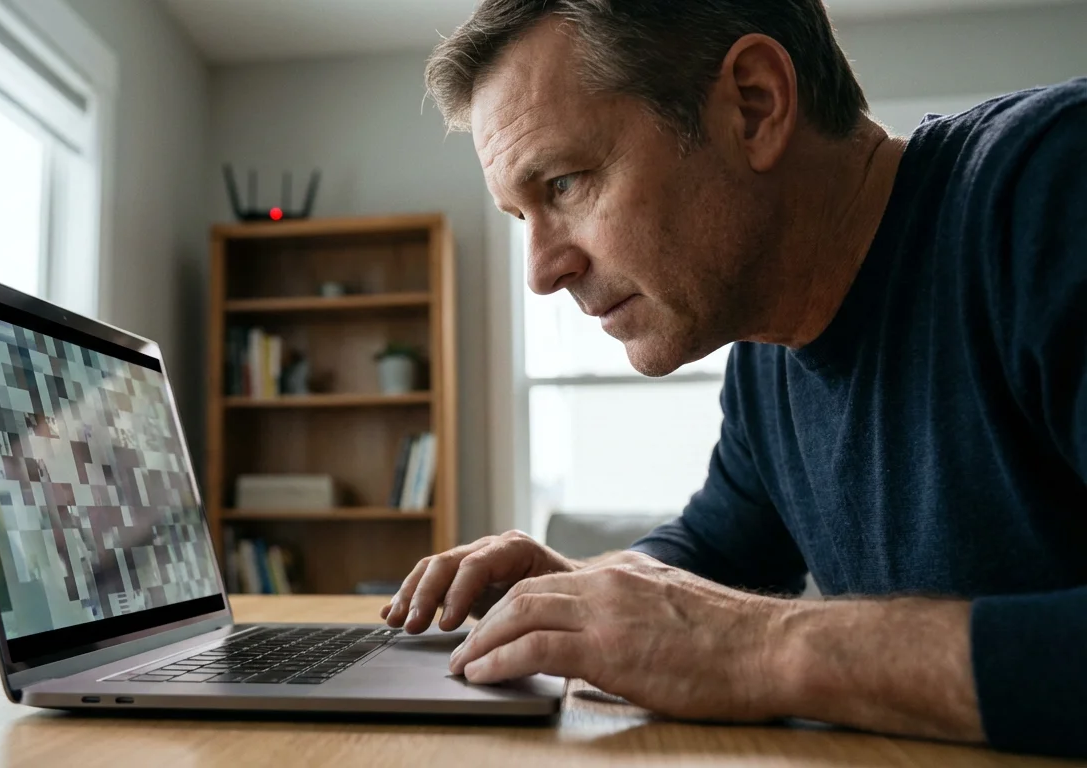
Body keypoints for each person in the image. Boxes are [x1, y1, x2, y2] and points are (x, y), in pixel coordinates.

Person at [383, 0, 1087, 758]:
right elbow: (713, 547)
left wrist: (762, 651)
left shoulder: (1054, 186)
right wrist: (578, 588)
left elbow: (731, 633)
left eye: (563, 183)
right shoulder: (768, 353)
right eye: (522, 217)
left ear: (754, 107)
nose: (543, 273)